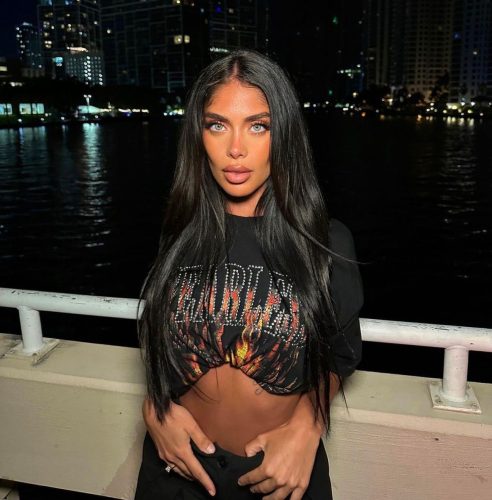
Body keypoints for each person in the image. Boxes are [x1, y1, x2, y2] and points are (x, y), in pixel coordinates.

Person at [134, 48, 364, 500]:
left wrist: (308, 426)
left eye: (258, 126)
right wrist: (154, 409)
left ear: (284, 135)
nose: (235, 149)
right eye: (217, 125)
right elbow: (162, 346)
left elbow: (341, 355)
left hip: (280, 477)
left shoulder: (325, 241)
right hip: (176, 472)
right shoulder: (180, 232)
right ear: (199, 135)